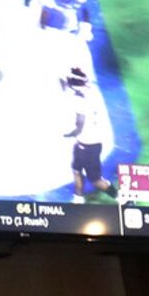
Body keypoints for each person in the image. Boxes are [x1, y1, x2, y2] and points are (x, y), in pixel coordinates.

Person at [61, 67, 116, 202]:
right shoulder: (89, 91)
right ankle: (78, 197)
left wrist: (67, 135)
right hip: (84, 143)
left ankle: (121, 198)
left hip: (89, 145)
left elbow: (80, 126)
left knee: (95, 180)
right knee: (76, 169)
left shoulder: (79, 100)